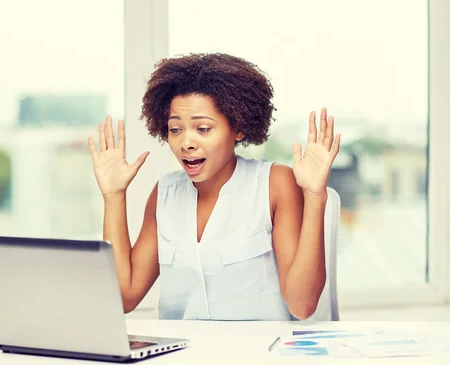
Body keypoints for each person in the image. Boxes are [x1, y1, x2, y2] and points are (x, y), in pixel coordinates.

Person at [87, 53, 341, 321]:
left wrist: (314, 196)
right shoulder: (164, 194)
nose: (186, 142)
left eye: (203, 128)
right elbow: (124, 296)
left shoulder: (274, 184)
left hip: (258, 358)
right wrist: (114, 196)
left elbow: (302, 305)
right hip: (182, 359)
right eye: (175, 129)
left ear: (238, 128)